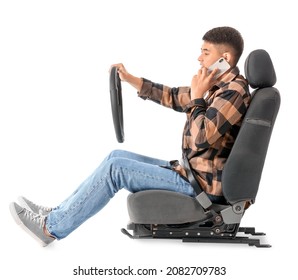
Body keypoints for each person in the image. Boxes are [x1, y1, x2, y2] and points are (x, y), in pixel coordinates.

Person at [9, 26, 251, 247]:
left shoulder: (234, 91)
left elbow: (201, 137)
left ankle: (49, 228)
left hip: (200, 188)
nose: (199, 58)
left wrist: (198, 97)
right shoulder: (217, 87)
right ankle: (57, 213)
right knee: (117, 155)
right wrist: (131, 79)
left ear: (224, 59)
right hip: (190, 172)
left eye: (205, 52)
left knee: (117, 168)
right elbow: (176, 96)